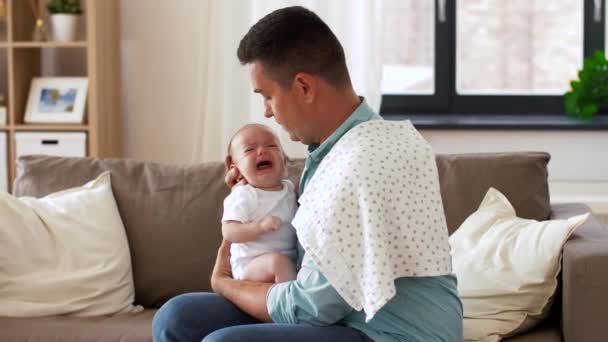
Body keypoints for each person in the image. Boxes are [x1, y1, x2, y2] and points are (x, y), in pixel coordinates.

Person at [153, 6, 463, 342]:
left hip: (390, 333)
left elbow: (310, 307)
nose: (267, 112)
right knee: (177, 317)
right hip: (344, 315)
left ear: (303, 87)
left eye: (268, 96)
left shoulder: (359, 164)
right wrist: (257, 195)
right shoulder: (340, 150)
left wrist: (226, 284)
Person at [222, 123, 297, 283]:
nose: (262, 151)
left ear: (284, 161)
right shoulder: (244, 194)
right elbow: (229, 231)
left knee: (283, 264)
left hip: (287, 265)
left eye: (271, 146)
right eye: (249, 150)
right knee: (278, 263)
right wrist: (259, 227)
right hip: (250, 266)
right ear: (236, 170)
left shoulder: (290, 191)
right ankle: (294, 306)